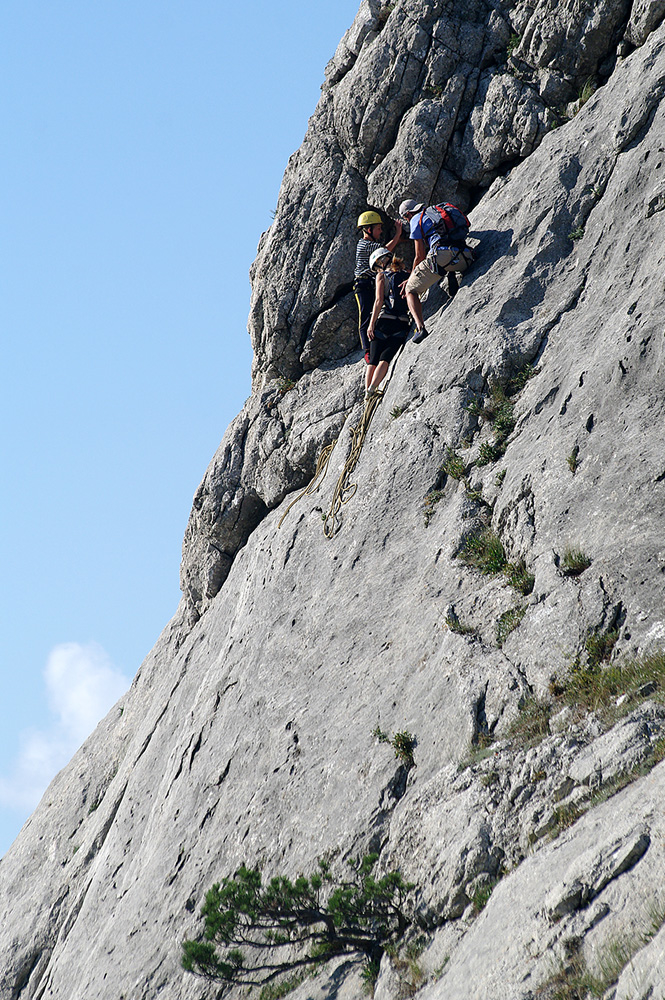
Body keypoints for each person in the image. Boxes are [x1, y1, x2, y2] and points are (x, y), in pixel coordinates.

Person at [398, 199, 474, 343]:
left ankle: (420, 328)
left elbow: (419, 256)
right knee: (440, 261)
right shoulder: (436, 211)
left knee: (410, 290)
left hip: (441, 257)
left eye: (405, 218)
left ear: (408, 214)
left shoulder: (415, 219)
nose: (407, 221)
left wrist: (411, 277)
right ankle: (451, 273)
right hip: (465, 256)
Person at [354, 211, 403, 388]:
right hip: (363, 285)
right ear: (368, 229)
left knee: (372, 310)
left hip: (370, 283)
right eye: (378, 228)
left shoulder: (370, 243)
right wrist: (398, 234)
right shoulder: (364, 245)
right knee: (365, 317)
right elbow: (384, 252)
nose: (381, 231)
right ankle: (367, 349)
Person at [364, 248, 412, 398]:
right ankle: (373, 387)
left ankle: (368, 393)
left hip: (384, 321)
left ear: (381, 262)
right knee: (386, 358)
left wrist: (371, 324)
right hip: (402, 322)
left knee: (373, 359)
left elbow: (378, 301)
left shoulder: (382, 276)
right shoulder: (407, 274)